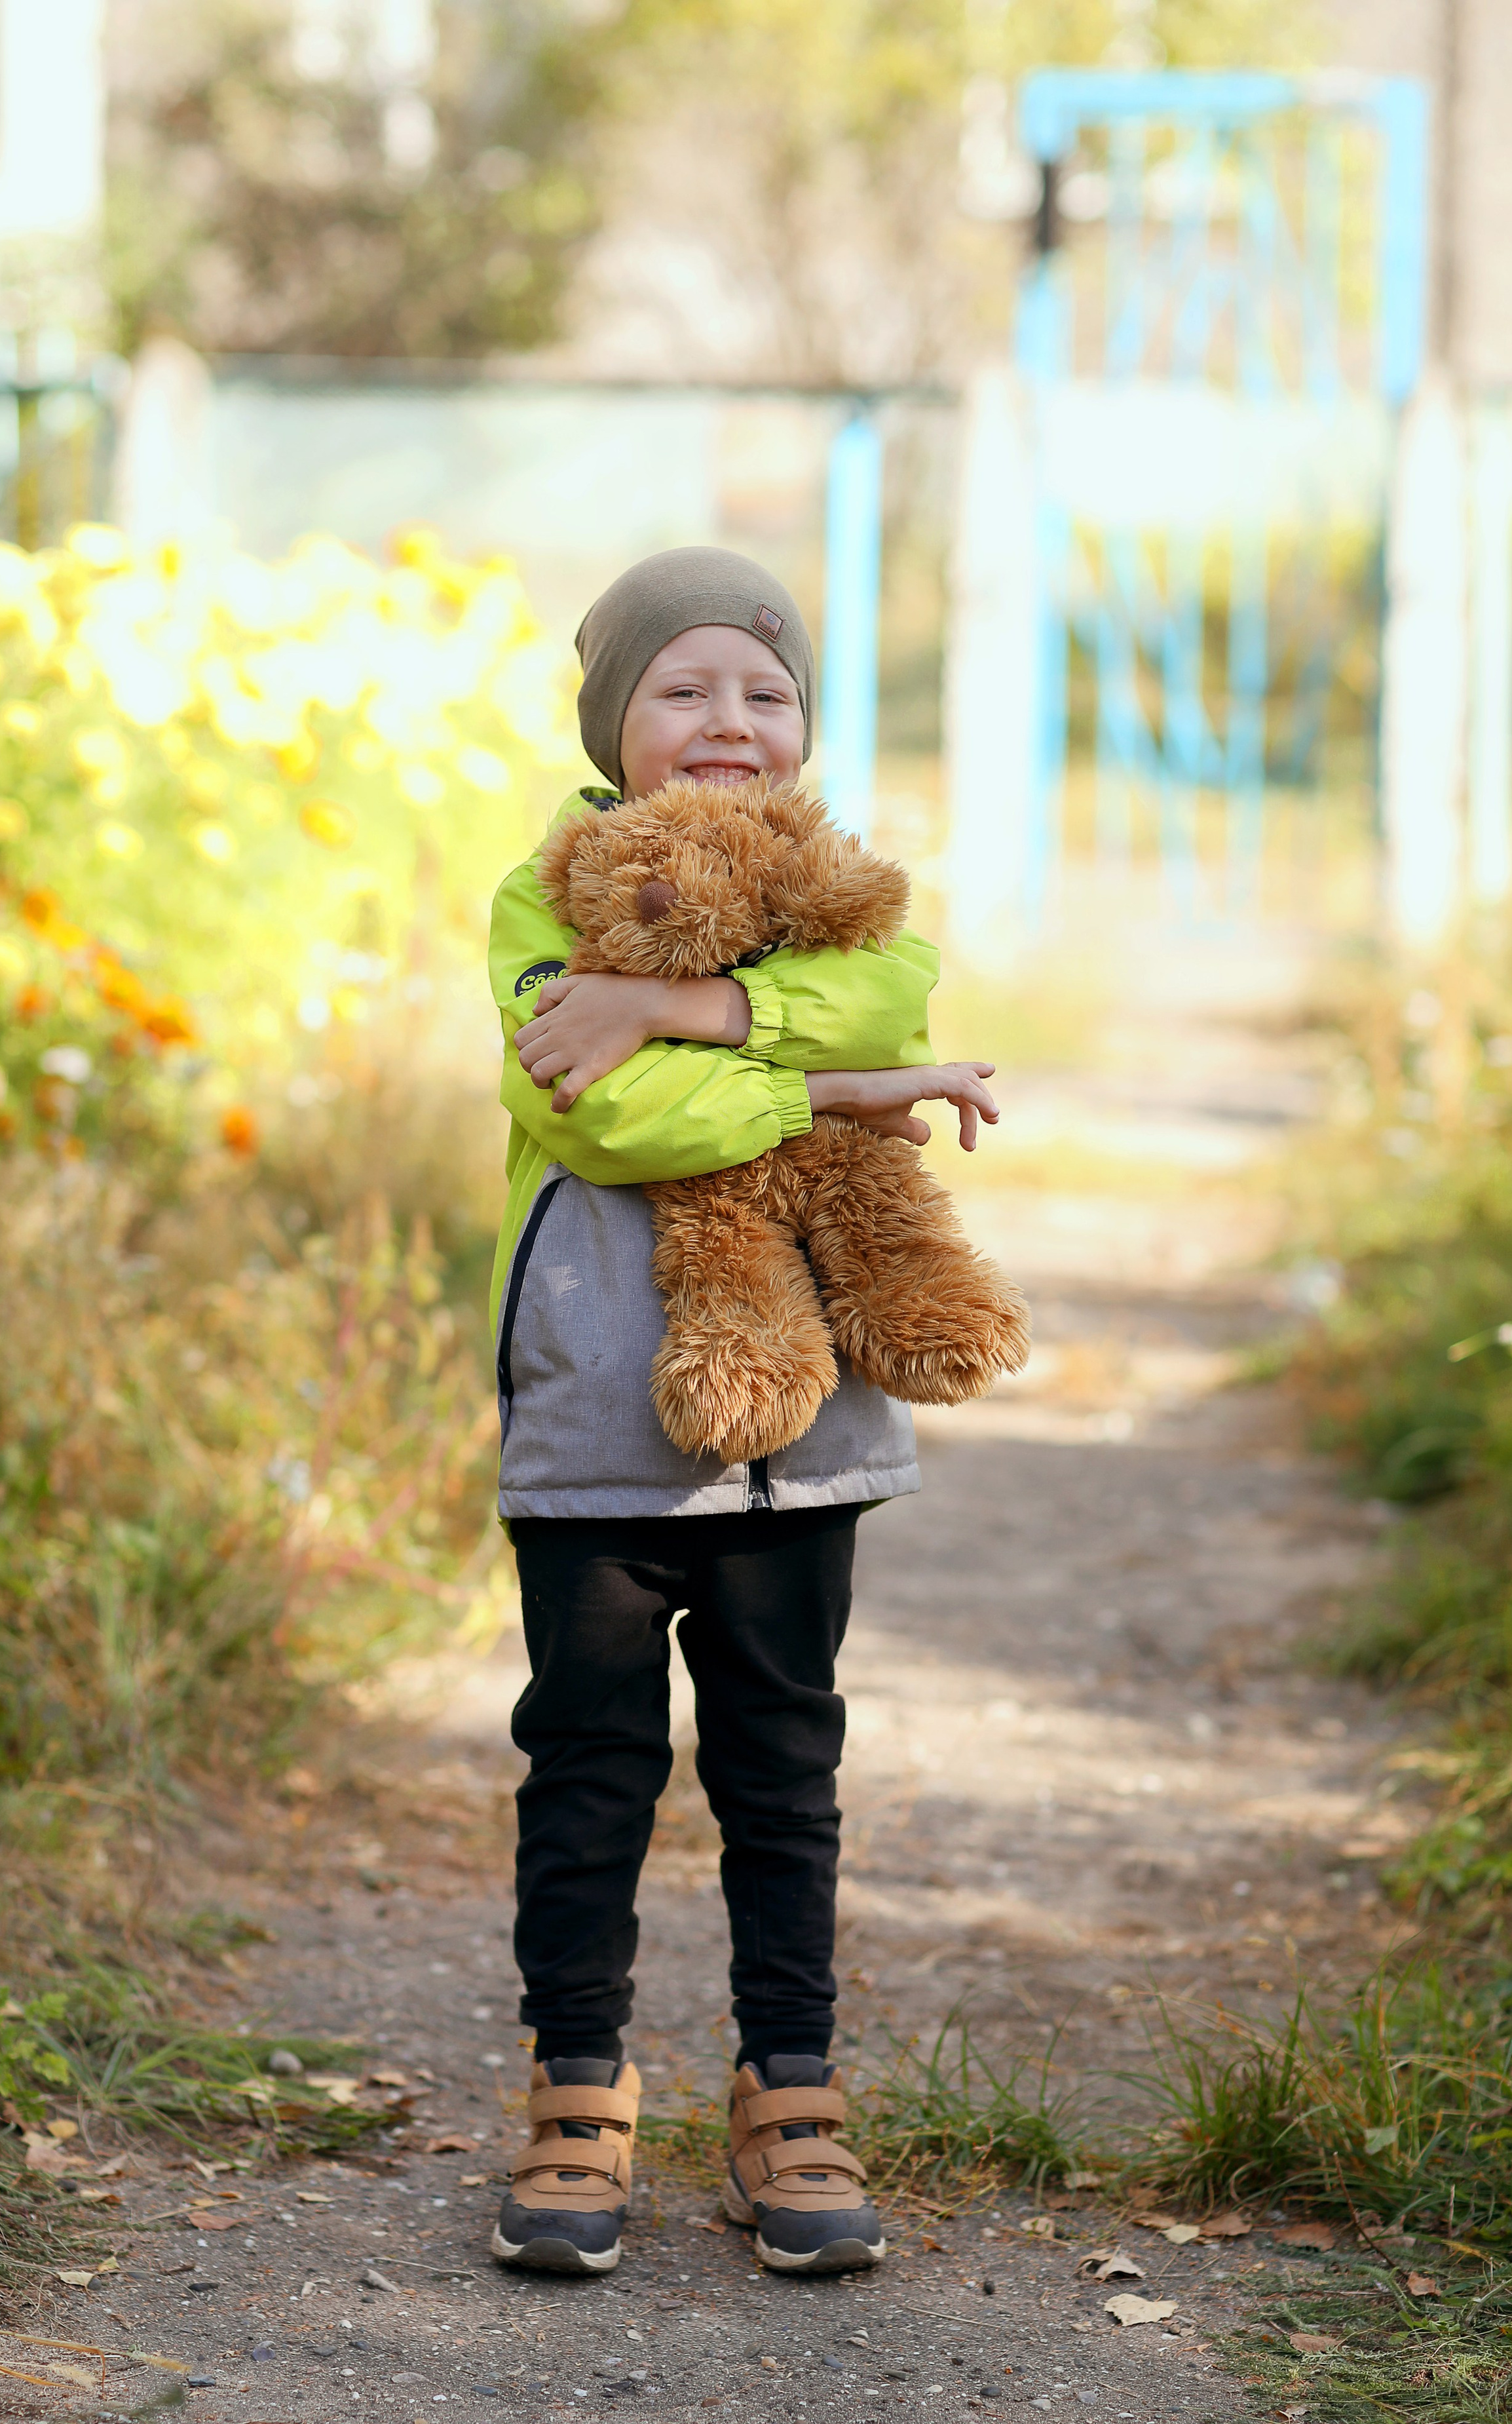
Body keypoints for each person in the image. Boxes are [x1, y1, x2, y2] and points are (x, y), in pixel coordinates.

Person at [485, 547, 1001, 2279]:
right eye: (684, 686)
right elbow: (606, 1119)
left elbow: (893, 992)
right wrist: (837, 1089)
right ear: (611, 721)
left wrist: (679, 1006)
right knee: (591, 1764)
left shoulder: (833, 883)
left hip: (810, 1438)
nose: (730, 719)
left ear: (805, 725)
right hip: (598, 1428)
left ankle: (791, 2092)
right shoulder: (546, 894)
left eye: (767, 692)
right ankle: (576, 2089)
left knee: (786, 1766)